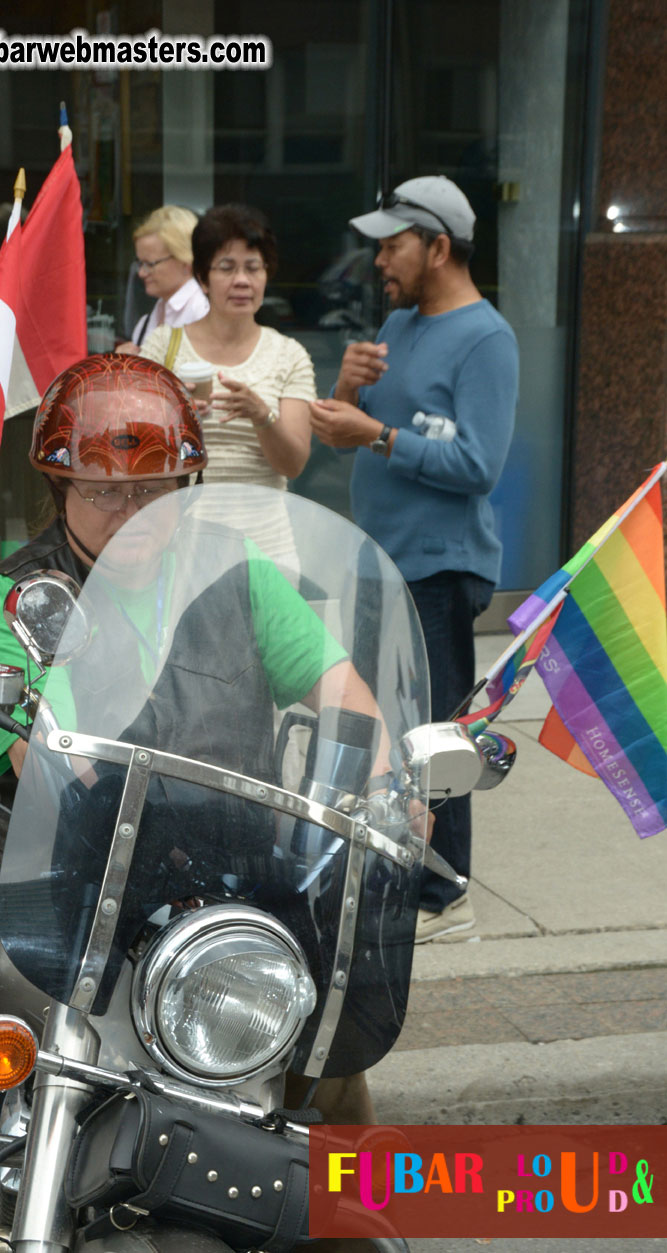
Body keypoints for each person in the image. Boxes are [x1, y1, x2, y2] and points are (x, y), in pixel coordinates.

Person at [0, 354, 380, 1247]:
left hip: (211, 888)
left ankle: (365, 1228)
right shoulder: (17, 595)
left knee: (326, 1046)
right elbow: (26, 754)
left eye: (156, 488)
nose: (133, 514)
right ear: (60, 485)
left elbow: (341, 686)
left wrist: (384, 779)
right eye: (104, 492)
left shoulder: (236, 573)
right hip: (36, 888)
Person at [308, 175, 519, 943]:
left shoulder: (487, 338)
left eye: (392, 246)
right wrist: (347, 394)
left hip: (438, 565)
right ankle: (398, 870)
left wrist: (378, 435)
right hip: (379, 558)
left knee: (434, 734)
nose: (378, 263)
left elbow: (478, 465)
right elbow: (356, 434)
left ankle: (446, 893)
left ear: (437, 246)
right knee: (383, 726)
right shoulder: (399, 323)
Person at [139, 204, 315, 559]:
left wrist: (262, 415)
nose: (242, 281)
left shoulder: (289, 354)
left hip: (267, 548)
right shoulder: (162, 345)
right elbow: (135, 448)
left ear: (267, 275)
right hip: (180, 546)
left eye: (253, 268)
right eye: (226, 268)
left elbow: (293, 464)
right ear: (202, 278)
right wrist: (177, 416)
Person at [115, 204, 209, 352]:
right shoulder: (147, 321)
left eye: (150, 264)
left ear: (185, 260)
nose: (142, 273)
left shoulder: (203, 313)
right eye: (140, 263)